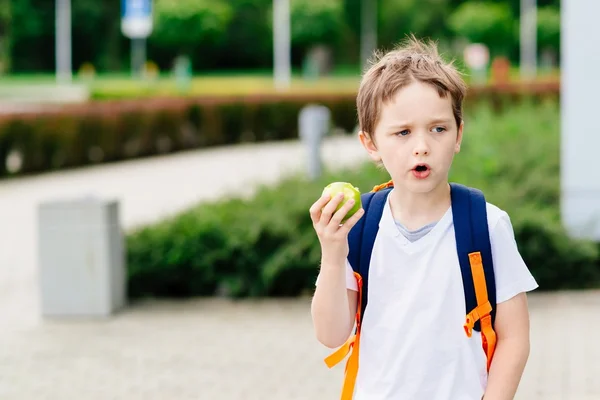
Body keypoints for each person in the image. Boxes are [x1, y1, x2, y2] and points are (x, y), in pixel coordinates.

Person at [309, 36, 539, 399]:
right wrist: (333, 252)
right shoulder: (360, 226)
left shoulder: (486, 224)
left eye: (438, 129)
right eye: (402, 132)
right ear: (371, 144)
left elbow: (514, 337)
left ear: (458, 134)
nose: (422, 146)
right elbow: (330, 334)